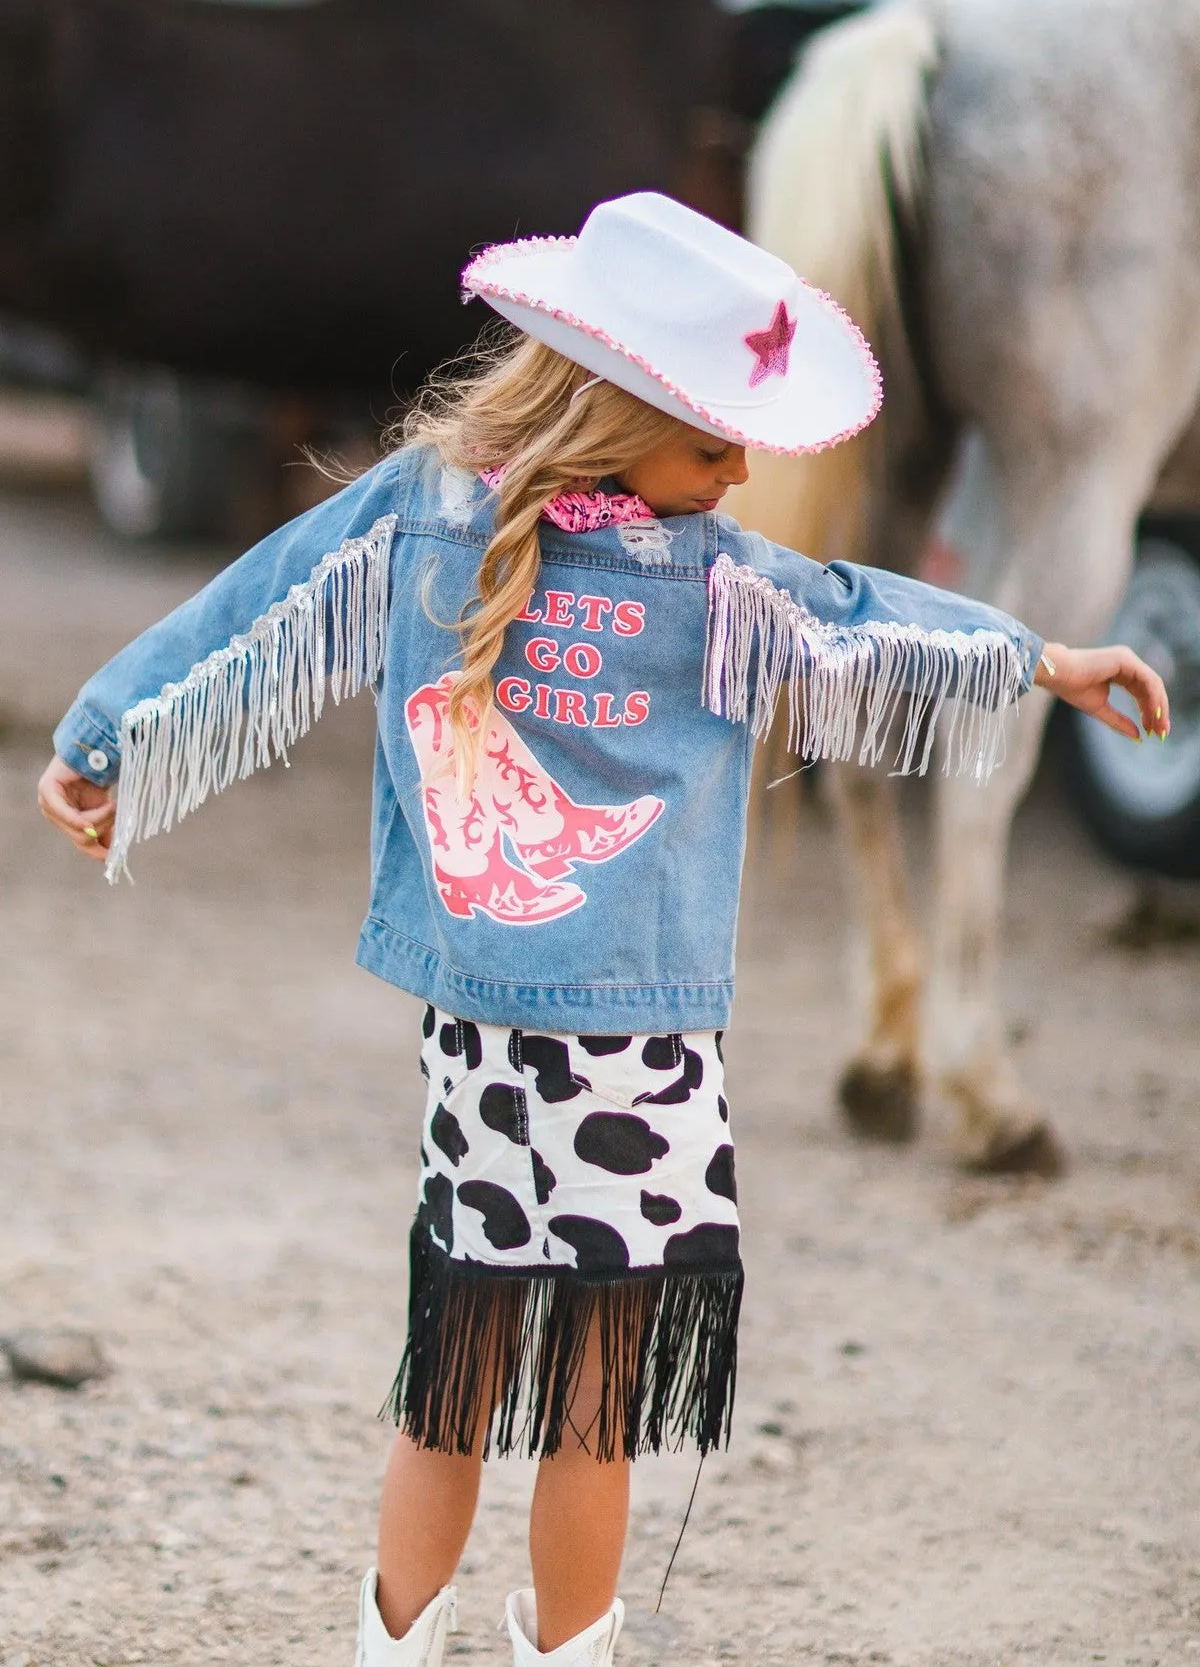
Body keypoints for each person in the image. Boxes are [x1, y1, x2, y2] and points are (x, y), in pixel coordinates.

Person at [37, 192, 1168, 1667]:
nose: (741, 470)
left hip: (478, 1047)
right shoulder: (713, 584)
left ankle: (389, 1651)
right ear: (608, 409)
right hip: (639, 1063)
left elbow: (254, 607)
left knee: (454, 1371)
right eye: (713, 442)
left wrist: (109, 735)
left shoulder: (424, 512)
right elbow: (866, 621)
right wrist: (1044, 660)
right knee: (596, 1406)